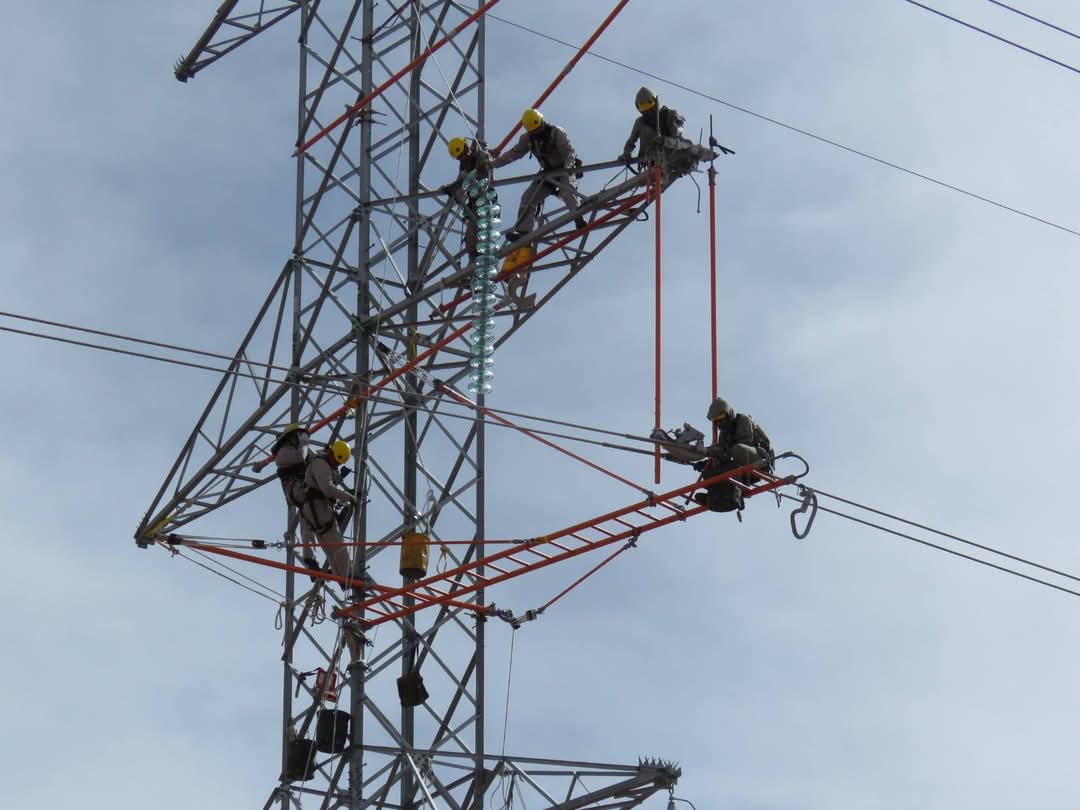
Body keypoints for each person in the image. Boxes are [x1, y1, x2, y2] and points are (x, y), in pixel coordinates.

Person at [491, 108, 586, 241]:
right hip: (547, 173)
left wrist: (568, 170)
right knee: (528, 197)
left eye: (536, 129)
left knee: (566, 189)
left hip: (564, 167)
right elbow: (513, 155)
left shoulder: (556, 133)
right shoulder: (528, 138)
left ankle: (579, 217)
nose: (535, 132)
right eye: (532, 131)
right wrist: (492, 164)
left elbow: (569, 153)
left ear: (541, 122)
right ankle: (524, 232)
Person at [692, 397, 773, 513]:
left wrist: (717, 453)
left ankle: (736, 490)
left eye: (722, 418)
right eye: (717, 421)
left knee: (737, 449)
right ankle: (717, 495)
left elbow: (744, 444)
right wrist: (706, 460)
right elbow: (721, 451)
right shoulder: (724, 433)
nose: (720, 423)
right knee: (715, 462)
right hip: (741, 464)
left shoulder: (742, 420)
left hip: (759, 460)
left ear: (729, 414)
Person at [298, 439, 356, 585]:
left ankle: (341, 577)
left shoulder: (322, 464)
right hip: (317, 506)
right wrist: (350, 497)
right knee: (335, 543)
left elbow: (326, 484)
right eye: (335, 461)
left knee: (328, 544)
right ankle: (347, 576)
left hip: (312, 507)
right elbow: (328, 489)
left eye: (338, 463)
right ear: (331, 452)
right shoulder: (321, 464)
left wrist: (340, 478)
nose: (336, 464)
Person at [443, 136, 496, 259]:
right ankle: (475, 267)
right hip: (474, 204)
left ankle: (482, 264)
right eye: (460, 157)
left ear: (467, 147)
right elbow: (461, 183)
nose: (463, 157)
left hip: (486, 201)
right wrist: (450, 188)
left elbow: (480, 175)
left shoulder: (479, 156)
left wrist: (454, 187)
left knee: (481, 236)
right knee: (471, 242)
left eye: (463, 154)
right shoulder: (464, 165)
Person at [619, 86, 685, 167]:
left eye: (649, 108)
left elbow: (678, 140)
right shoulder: (640, 122)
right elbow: (631, 141)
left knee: (687, 144)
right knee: (646, 129)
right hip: (649, 159)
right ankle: (650, 158)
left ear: (655, 104)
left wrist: (664, 140)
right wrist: (626, 153)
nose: (648, 112)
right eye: (644, 109)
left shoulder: (669, 115)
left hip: (670, 155)